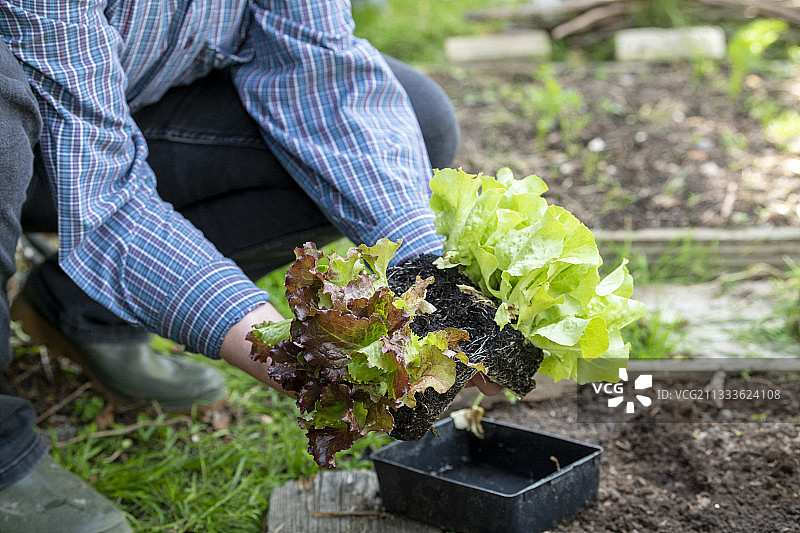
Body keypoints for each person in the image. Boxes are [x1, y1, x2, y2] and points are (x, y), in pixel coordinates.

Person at [0, 2, 500, 531]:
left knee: (416, 120)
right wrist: (287, 354)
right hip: (23, 129)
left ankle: (78, 309)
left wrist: (431, 277)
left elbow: (321, 77)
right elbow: (106, 197)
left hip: (123, 103)